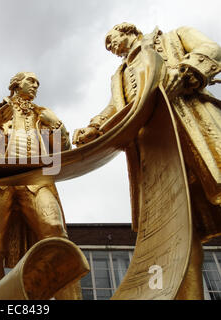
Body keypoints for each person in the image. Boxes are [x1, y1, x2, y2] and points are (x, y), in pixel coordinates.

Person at [73, 22, 221, 299]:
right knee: (178, 233)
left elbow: (211, 48)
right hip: (154, 152)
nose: (111, 46)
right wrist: (95, 126)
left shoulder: (173, 37)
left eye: (111, 39)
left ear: (127, 30)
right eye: (108, 45)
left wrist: (187, 70)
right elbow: (118, 107)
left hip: (194, 123)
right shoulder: (119, 74)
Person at [0, 71, 83, 299]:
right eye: (31, 80)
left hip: (35, 181)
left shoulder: (43, 117)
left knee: (56, 232)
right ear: (16, 84)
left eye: (38, 82)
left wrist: (58, 125)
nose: (36, 85)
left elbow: (64, 154)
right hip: (0, 182)